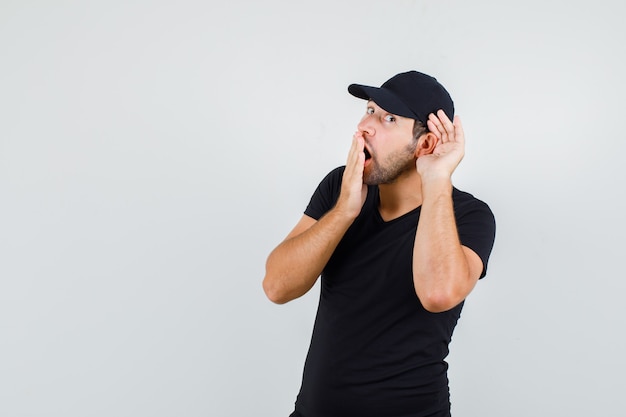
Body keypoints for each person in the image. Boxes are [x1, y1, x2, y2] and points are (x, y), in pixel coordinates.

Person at [263, 71, 496, 417]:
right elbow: (277, 286)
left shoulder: (469, 216)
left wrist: (436, 179)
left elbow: (438, 294)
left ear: (426, 144)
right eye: (370, 110)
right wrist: (344, 210)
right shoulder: (340, 187)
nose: (365, 125)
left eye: (388, 118)